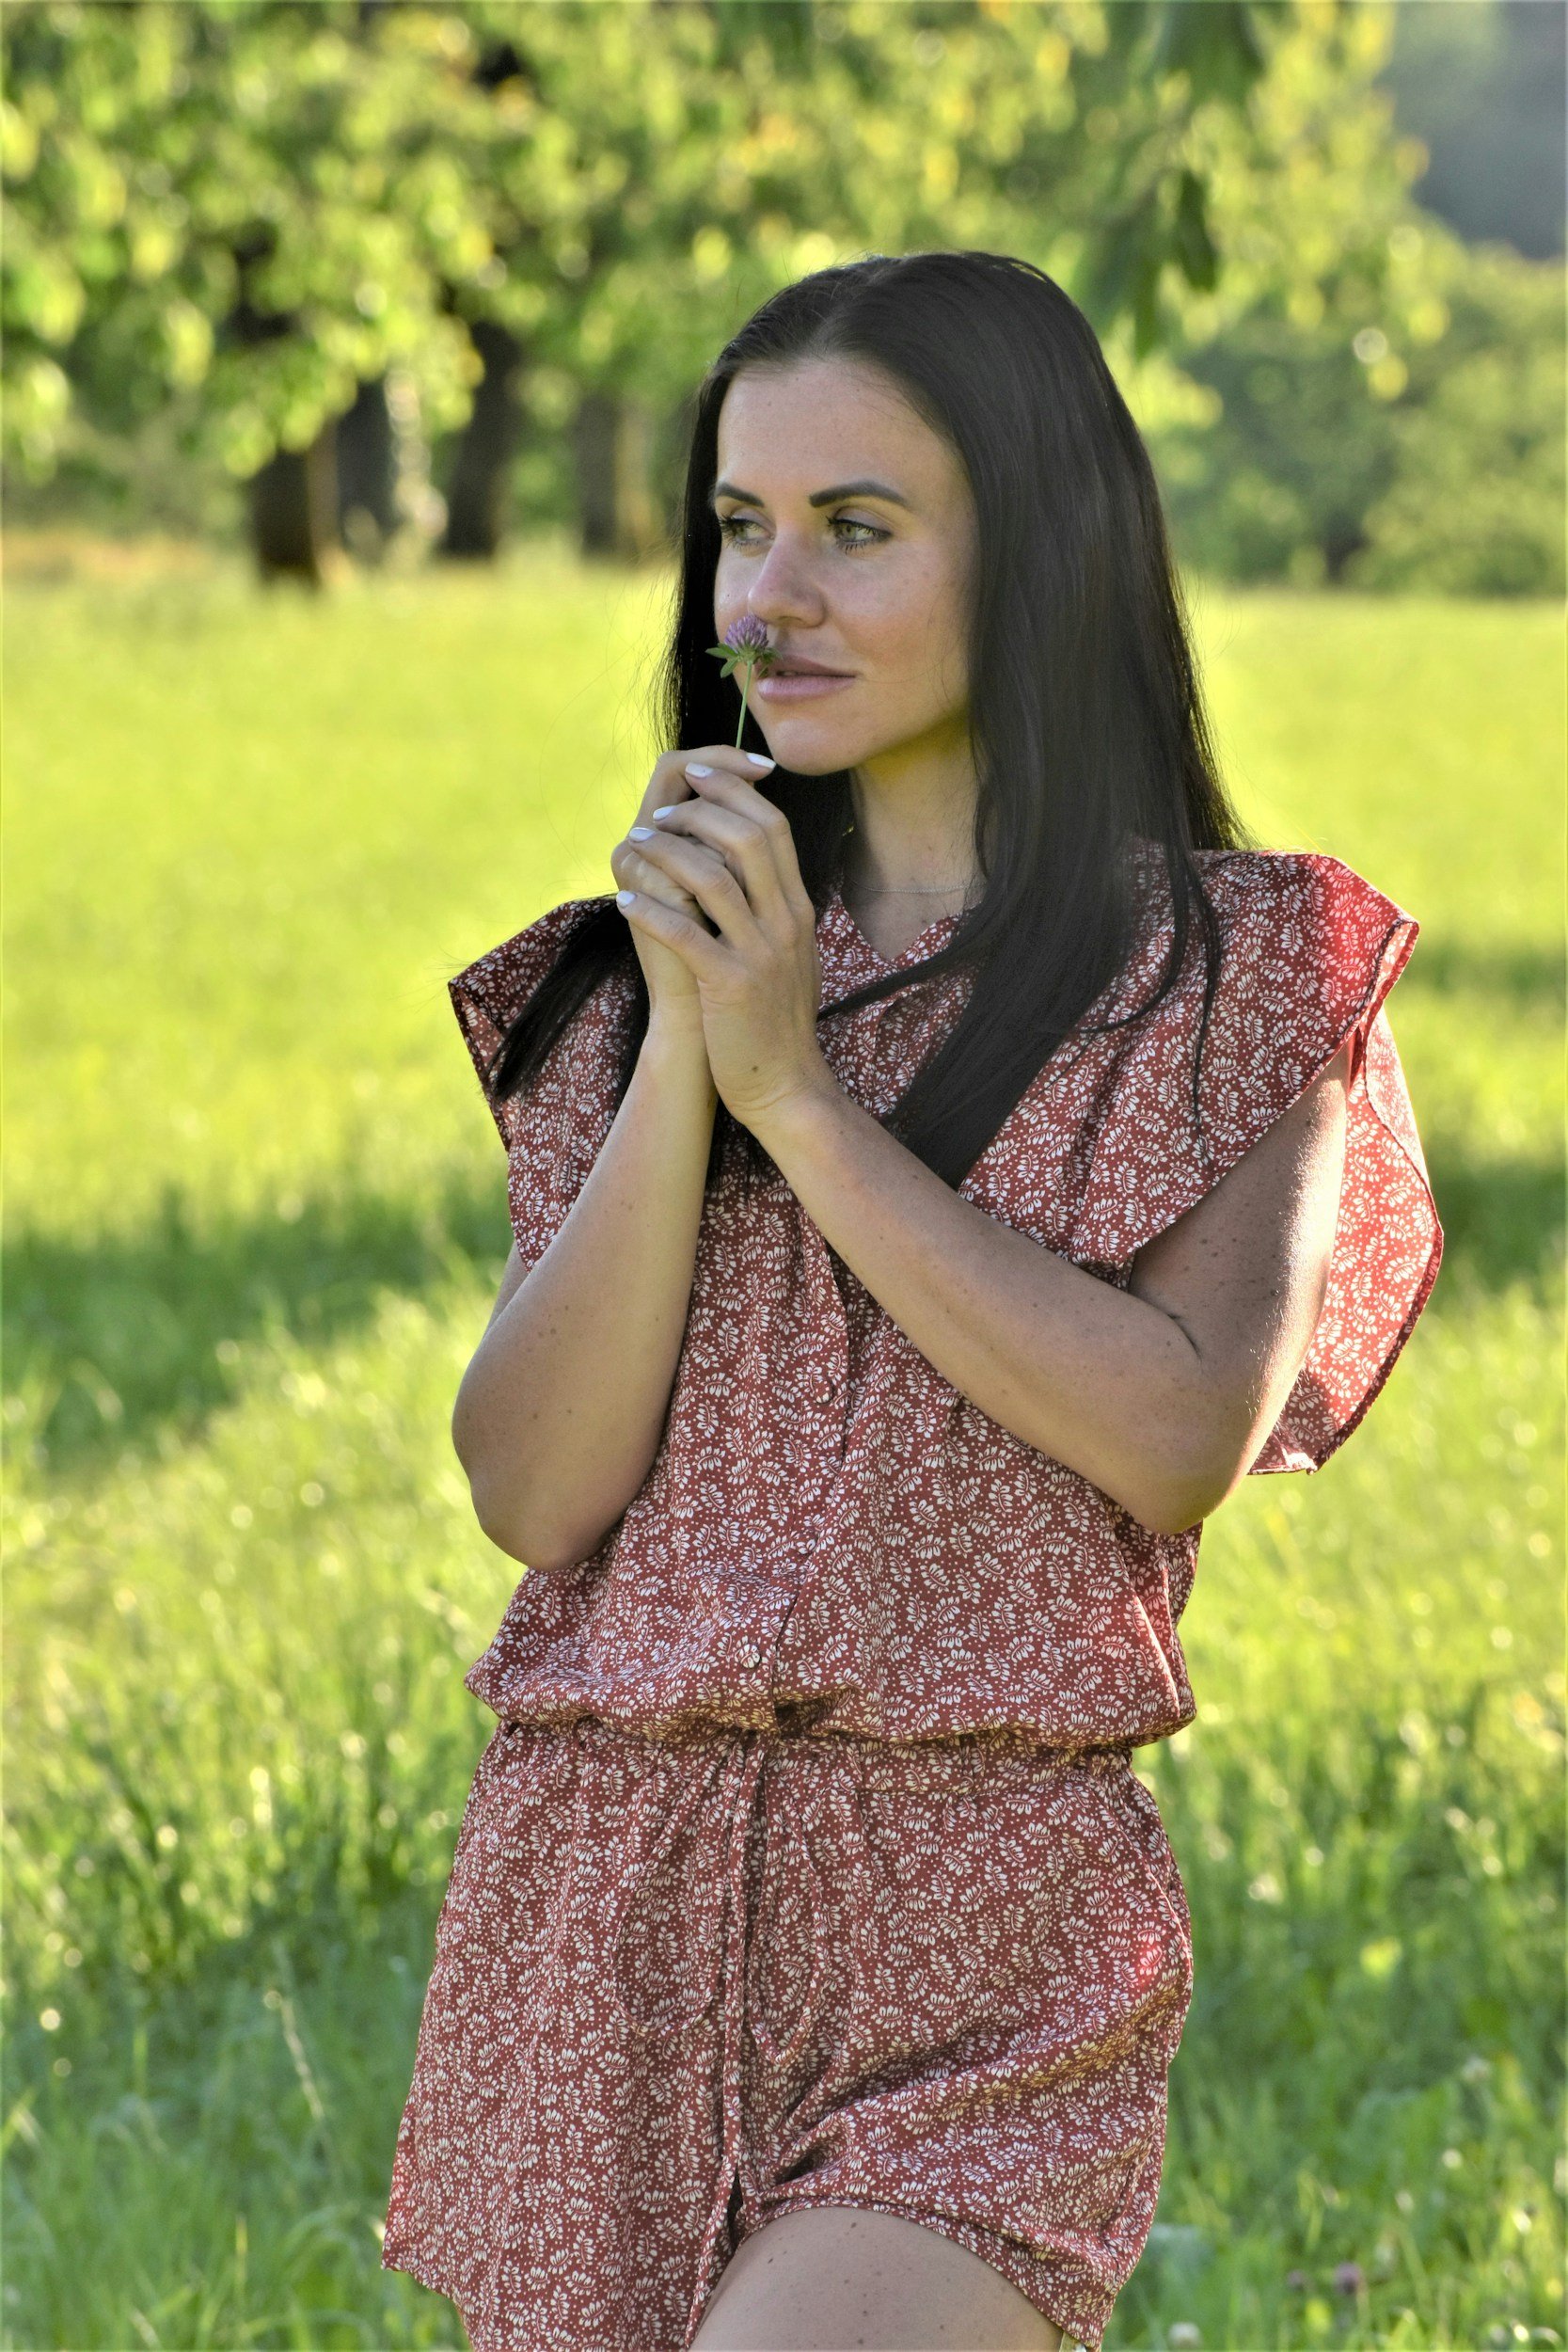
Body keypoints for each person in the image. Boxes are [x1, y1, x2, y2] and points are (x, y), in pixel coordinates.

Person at [380, 251, 1443, 2352]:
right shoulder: (627, 989)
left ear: (1037, 549)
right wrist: (700, 1033)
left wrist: (799, 1088)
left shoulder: (1233, 982)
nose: (769, 597)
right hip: (603, 1907)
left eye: (855, 530)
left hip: (975, 1936)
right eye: (741, 526)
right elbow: (532, 1486)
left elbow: (1169, 1428)